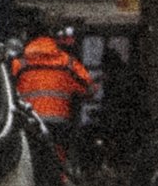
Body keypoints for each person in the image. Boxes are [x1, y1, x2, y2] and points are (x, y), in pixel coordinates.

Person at [12, 19, 96, 159]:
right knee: (57, 163)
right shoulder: (67, 63)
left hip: (30, 124)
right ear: (52, 39)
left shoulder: (19, 64)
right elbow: (89, 89)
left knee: (29, 162)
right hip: (58, 125)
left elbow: (8, 92)